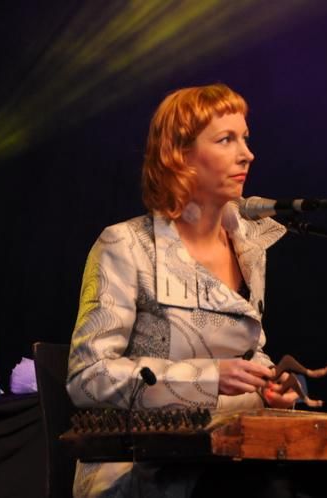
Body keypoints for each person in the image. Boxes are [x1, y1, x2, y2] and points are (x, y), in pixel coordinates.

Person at [66, 83, 298, 498]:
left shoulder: (247, 246)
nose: (247, 154)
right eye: (226, 140)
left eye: (245, 138)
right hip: (141, 467)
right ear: (179, 156)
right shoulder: (127, 246)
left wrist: (272, 386)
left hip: (232, 454)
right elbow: (88, 378)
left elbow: (250, 353)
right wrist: (209, 377)